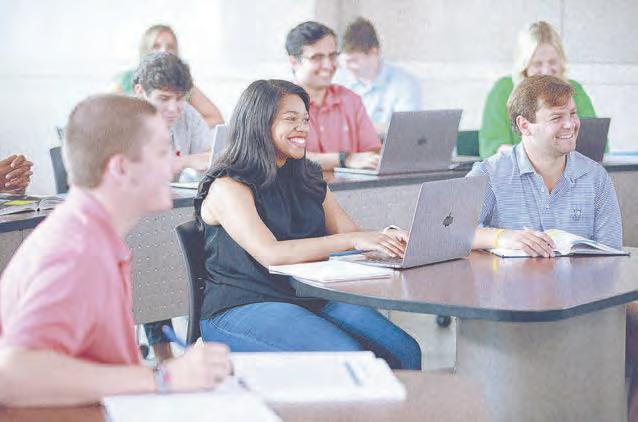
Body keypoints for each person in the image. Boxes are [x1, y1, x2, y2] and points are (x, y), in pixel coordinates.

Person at [0, 94, 230, 407]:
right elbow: (13, 375)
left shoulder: (91, 233)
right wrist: (163, 378)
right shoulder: (79, 251)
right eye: (161, 153)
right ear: (121, 168)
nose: (173, 164)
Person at [194, 79, 421, 370]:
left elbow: (350, 233)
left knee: (405, 351)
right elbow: (272, 253)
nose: (302, 128)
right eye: (291, 119)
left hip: (308, 295)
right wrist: (350, 241)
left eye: (305, 120)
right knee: (348, 359)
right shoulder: (228, 185)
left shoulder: (307, 176)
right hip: (243, 304)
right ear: (258, 123)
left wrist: (384, 236)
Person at [470, 75, 621, 254]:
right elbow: (449, 234)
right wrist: (501, 237)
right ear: (524, 125)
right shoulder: (489, 174)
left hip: (580, 274)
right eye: (556, 117)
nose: (570, 124)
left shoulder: (596, 177)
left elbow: (611, 252)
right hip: (509, 273)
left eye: (573, 114)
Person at [478, 21, 599, 159]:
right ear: (524, 66)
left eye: (552, 62)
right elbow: (493, 149)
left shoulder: (574, 91)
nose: (546, 71)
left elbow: (596, 145)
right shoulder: (503, 90)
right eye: (537, 64)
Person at [286, 21, 381, 171]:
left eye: (332, 56)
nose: (328, 65)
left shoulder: (351, 101)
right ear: (294, 62)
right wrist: (344, 159)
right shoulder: (279, 104)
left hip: (354, 186)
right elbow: (286, 159)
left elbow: (372, 154)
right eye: (317, 57)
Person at [112, 24, 223, 128]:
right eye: (156, 46)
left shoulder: (182, 82)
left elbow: (216, 118)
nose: (163, 51)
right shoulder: (126, 80)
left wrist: (183, 129)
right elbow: (107, 118)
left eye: (170, 47)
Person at [335, 17, 421, 137]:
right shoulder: (337, 80)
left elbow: (406, 127)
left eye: (353, 61)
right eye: (343, 61)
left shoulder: (404, 83)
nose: (347, 67)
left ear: (374, 53)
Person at [133, 51, 212, 181]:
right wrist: (185, 161)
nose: (173, 108)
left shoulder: (188, 114)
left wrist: (181, 162)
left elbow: (211, 157)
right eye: (163, 98)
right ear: (140, 92)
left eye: (180, 98)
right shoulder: (121, 123)